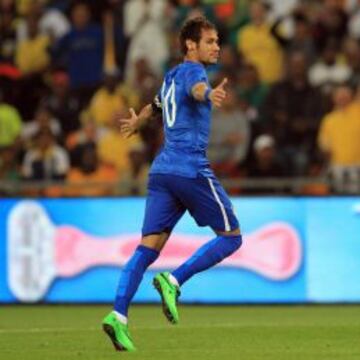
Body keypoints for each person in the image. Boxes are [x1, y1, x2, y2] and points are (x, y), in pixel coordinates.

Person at [102, 17, 242, 352]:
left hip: (161, 171)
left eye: (217, 41)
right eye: (210, 41)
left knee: (147, 248)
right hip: (190, 168)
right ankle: (174, 280)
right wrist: (209, 93)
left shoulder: (169, 76)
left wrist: (138, 121)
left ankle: (117, 316)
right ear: (191, 46)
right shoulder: (195, 72)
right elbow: (197, 90)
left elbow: (156, 105)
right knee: (232, 238)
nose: (217, 46)